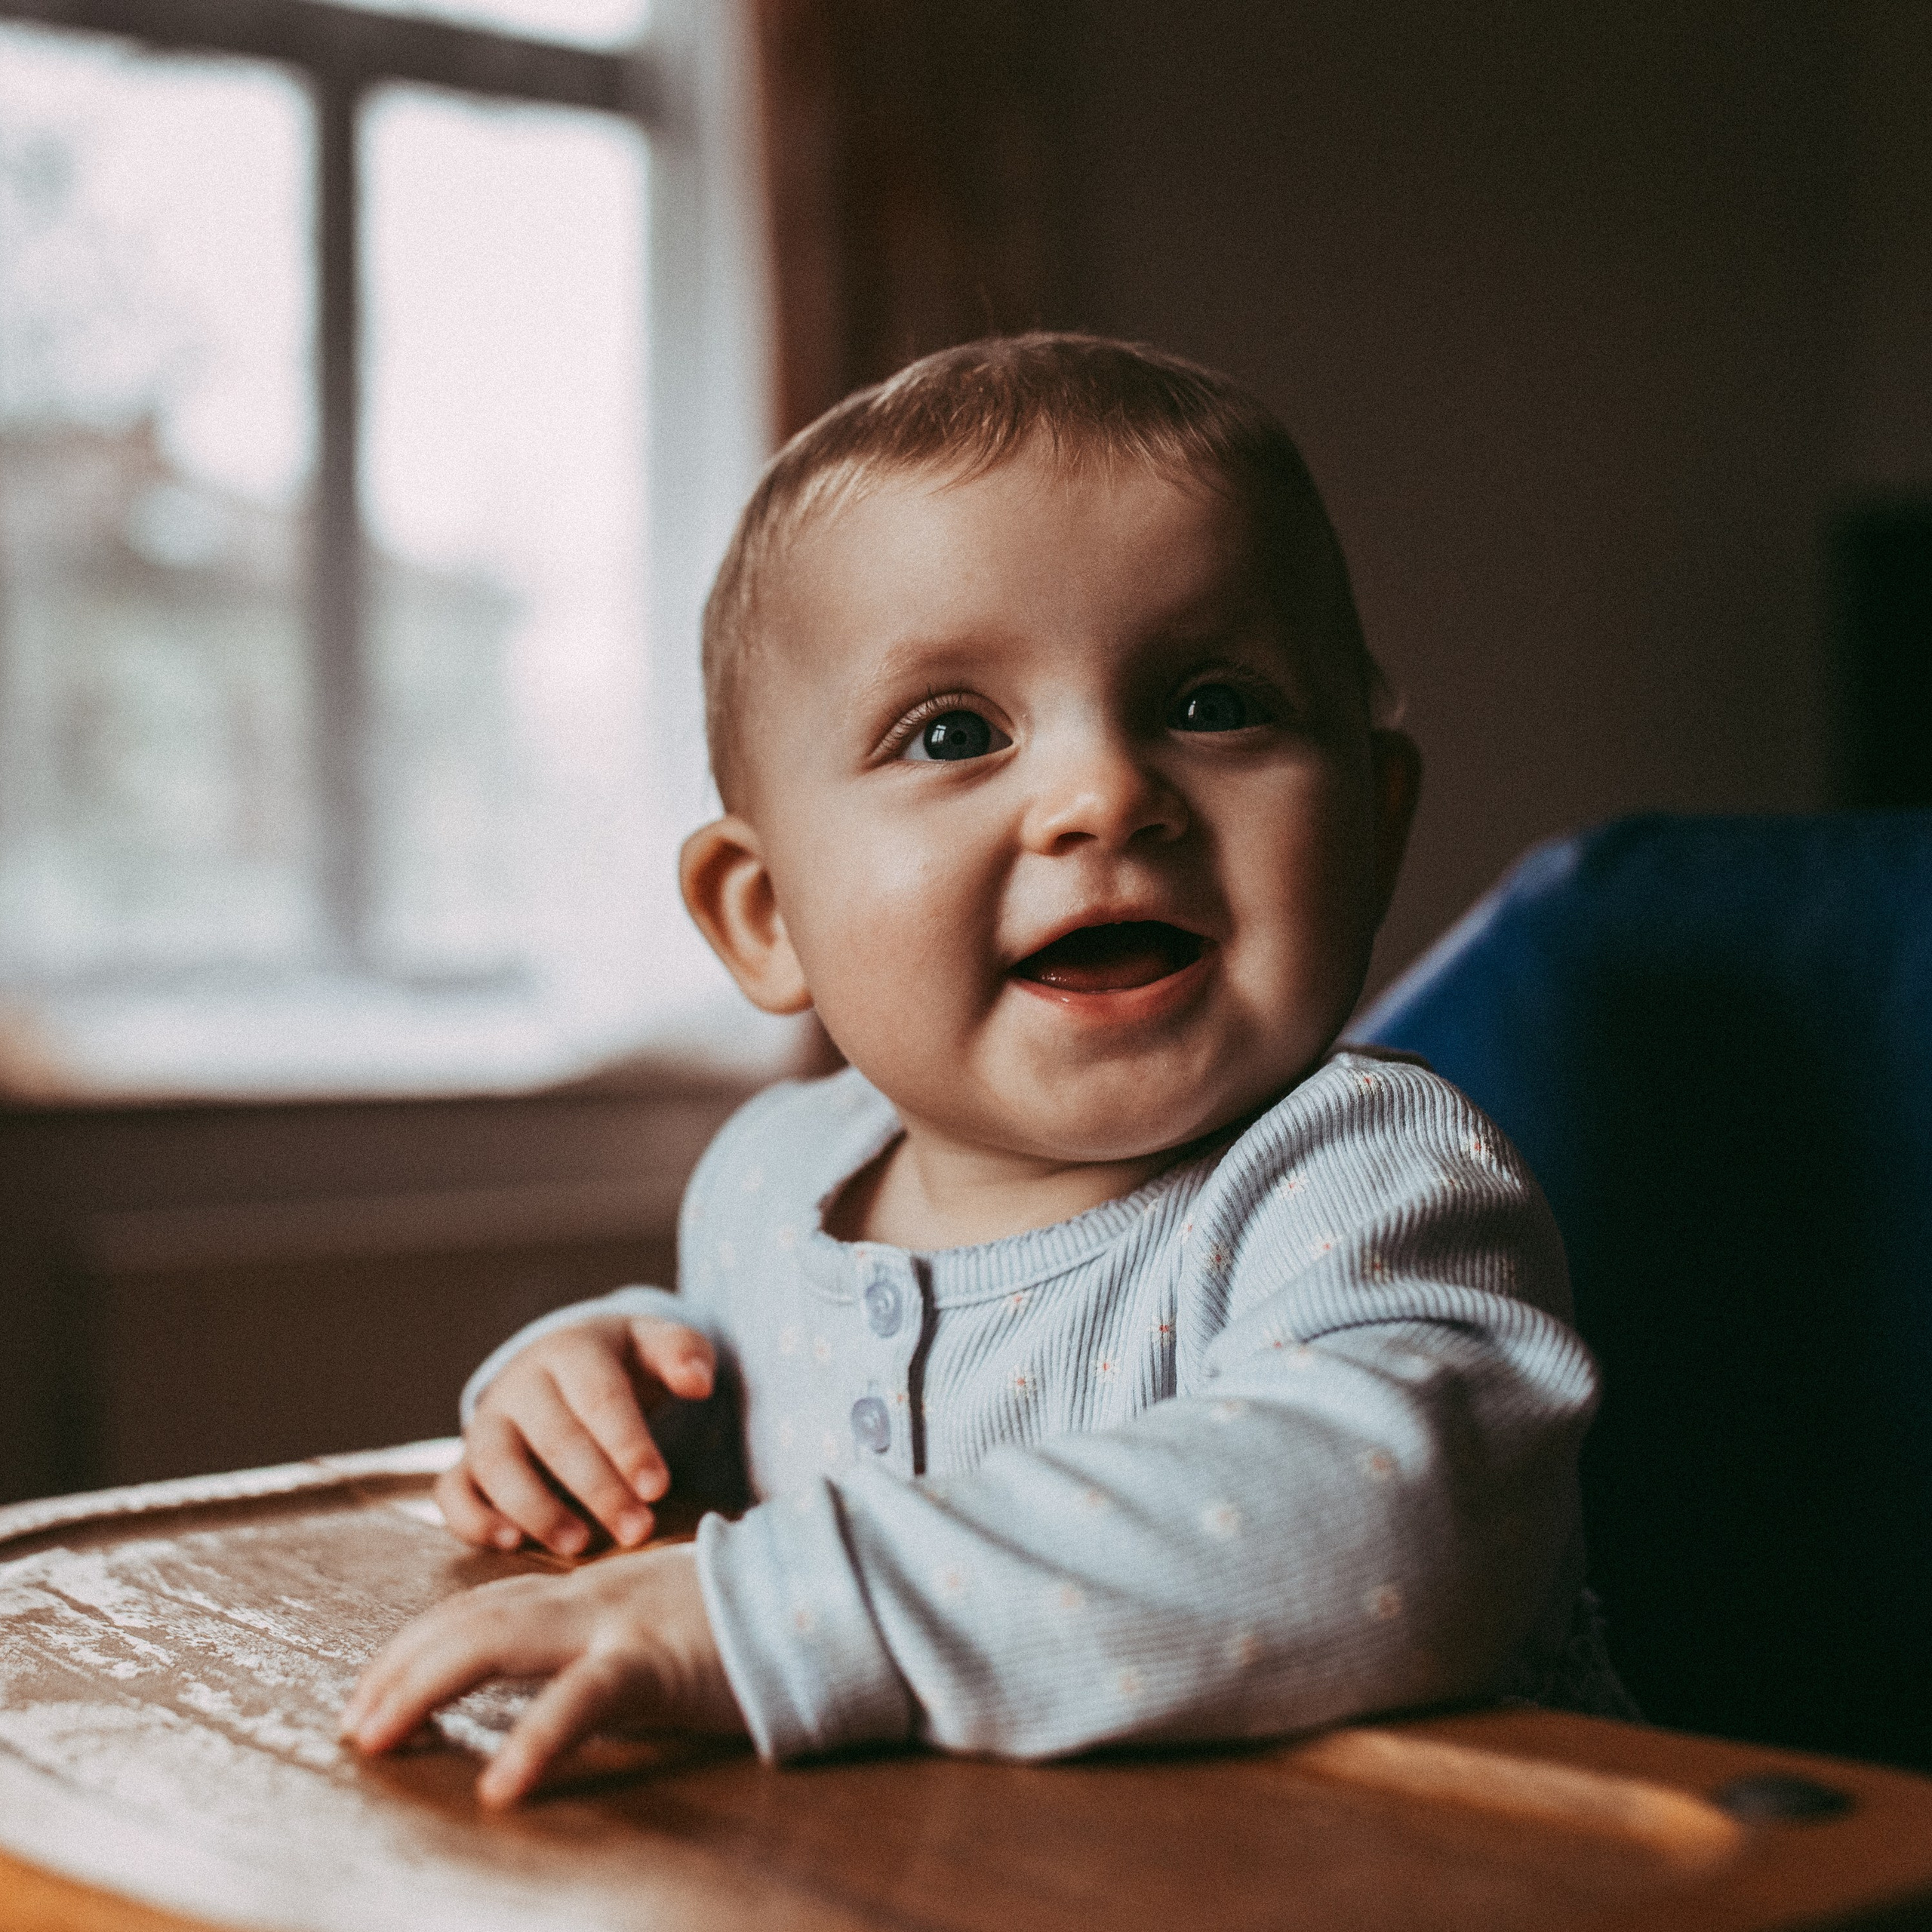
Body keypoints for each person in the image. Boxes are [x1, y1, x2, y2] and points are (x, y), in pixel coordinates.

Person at [341, 334, 1629, 1807]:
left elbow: (1397, 1526)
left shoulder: (1367, 1175)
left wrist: (767, 1613)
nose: (1101, 793)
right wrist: (612, 1389)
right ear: (766, 918)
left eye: (1211, 702)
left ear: (1374, 823)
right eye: (953, 731)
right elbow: (748, 1398)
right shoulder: (766, 1180)